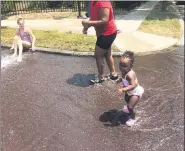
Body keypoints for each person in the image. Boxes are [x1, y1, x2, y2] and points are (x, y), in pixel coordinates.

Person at [82, 0, 118, 84]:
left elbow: (104, 20)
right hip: (104, 34)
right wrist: (86, 27)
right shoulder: (93, 2)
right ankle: (114, 74)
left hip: (107, 34)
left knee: (98, 56)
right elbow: (94, 17)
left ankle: (100, 77)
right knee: (107, 54)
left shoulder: (103, 2)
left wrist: (88, 23)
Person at [116, 51, 144, 126]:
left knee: (130, 107)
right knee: (126, 99)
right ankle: (128, 109)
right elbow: (124, 78)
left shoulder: (130, 75)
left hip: (135, 92)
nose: (122, 68)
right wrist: (120, 80)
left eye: (124, 66)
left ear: (131, 66)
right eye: (120, 65)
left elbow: (133, 85)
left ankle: (133, 119)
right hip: (129, 91)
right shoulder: (124, 71)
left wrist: (123, 89)